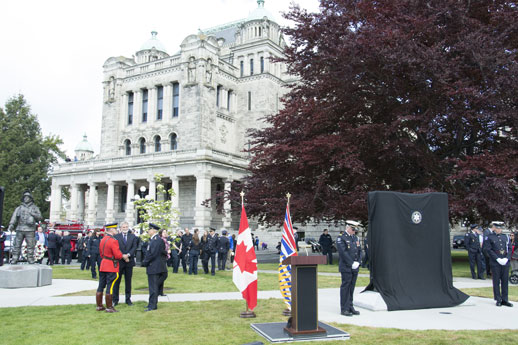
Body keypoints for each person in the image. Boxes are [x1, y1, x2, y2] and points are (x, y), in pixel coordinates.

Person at [95, 223, 126, 313]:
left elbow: (101, 253)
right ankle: (109, 306)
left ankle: (99, 305)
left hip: (103, 263)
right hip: (111, 265)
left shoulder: (103, 239)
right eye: (115, 229)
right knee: (110, 286)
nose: (116, 230)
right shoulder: (113, 240)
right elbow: (117, 255)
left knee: (101, 285)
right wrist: (122, 256)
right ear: (111, 230)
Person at [7, 191, 42, 264]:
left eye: (27, 197)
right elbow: (14, 217)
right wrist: (11, 224)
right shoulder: (19, 208)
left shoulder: (34, 208)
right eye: (24, 197)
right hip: (20, 228)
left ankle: (30, 258)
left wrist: (33, 214)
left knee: (30, 245)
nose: (26, 199)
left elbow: (40, 217)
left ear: (30, 199)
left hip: (30, 229)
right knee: (17, 244)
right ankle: (15, 258)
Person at [484, 222, 513, 307]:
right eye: (498, 228)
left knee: (505, 281)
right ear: (494, 228)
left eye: (500, 228)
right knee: (496, 281)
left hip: (505, 261)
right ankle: (498, 299)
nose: (500, 229)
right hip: (495, 262)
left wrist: (506, 258)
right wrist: (497, 258)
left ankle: (505, 299)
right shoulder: (489, 237)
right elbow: (489, 250)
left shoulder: (506, 236)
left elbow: (510, 249)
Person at [141, 223, 168, 311]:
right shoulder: (154, 240)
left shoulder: (156, 240)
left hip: (154, 267)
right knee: (153, 286)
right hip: (154, 266)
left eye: (149, 230)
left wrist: (145, 262)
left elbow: (152, 254)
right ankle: (151, 303)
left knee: (153, 287)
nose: (148, 231)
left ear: (153, 230)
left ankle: (152, 305)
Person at [337, 225, 361, 316]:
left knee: (352, 287)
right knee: (346, 287)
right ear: (348, 228)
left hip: (355, 266)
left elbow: (359, 251)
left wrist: (358, 262)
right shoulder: (341, 238)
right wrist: (351, 263)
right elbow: (343, 252)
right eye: (353, 229)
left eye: (355, 230)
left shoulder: (355, 238)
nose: (354, 231)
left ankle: (350, 306)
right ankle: (344, 308)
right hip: (346, 266)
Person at [113, 222, 138, 306]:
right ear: (120, 228)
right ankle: (115, 299)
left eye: (126, 227)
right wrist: (122, 256)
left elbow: (134, 247)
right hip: (119, 261)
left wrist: (128, 255)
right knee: (117, 281)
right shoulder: (116, 237)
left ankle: (128, 299)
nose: (125, 228)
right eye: (123, 227)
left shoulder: (133, 236)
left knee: (128, 281)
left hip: (129, 262)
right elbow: (115, 248)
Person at [157, 229, 171, 296]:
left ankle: (160, 292)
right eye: (164, 232)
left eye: (166, 232)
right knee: (164, 275)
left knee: (162, 274)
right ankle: (155, 286)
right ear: (160, 233)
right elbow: (161, 250)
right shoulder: (161, 240)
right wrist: (167, 252)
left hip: (164, 259)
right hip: (161, 259)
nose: (165, 233)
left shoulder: (165, 241)